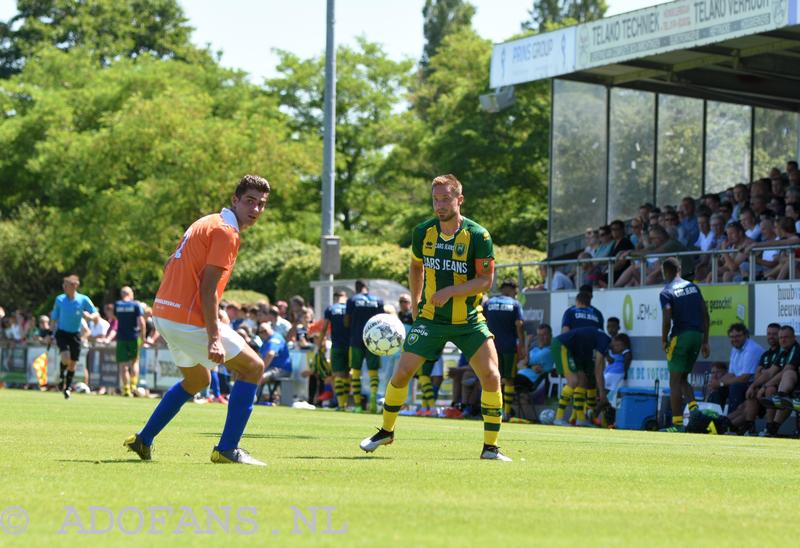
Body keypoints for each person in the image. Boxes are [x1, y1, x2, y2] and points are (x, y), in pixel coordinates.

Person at [359, 174, 510, 461]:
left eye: (445, 199)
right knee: (401, 373)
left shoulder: (479, 235)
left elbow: (485, 281)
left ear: (459, 200)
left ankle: (490, 448)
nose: (439, 205)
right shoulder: (423, 232)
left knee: (491, 376)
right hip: (430, 318)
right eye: (435, 199)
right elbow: (416, 267)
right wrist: (416, 303)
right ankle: (386, 431)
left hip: (469, 319)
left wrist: (451, 291)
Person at [123, 174, 270, 466]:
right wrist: (214, 337)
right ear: (235, 200)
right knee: (253, 368)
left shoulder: (206, 221)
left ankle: (143, 439)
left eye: (261, 204)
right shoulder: (227, 231)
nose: (255, 209)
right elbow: (207, 289)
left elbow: (169, 263)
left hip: (163, 313)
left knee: (197, 378)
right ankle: (228, 449)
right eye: (250, 201)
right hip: (185, 318)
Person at [659, 257, 710, 432]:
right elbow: (705, 314)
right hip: (697, 336)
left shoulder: (667, 291)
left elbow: (667, 316)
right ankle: (695, 412)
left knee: (674, 382)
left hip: (680, 336)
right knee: (682, 379)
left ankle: (677, 424)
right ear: (679, 269)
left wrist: (664, 339)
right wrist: (705, 341)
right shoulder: (693, 287)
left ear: (665, 272)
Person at [51, 275, 100, 399]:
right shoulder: (59, 299)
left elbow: (95, 313)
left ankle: (67, 387)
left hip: (75, 334)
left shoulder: (83, 299)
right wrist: (51, 333)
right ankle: (62, 375)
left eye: (66, 285)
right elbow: (54, 317)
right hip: (62, 333)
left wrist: (90, 317)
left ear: (74, 286)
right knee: (65, 358)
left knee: (73, 364)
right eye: (64, 285)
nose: (64, 287)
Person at [551, 326, 611, 426]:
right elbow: (598, 369)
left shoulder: (602, 338)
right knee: (573, 381)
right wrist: (602, 393)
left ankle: (581, 419)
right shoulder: (605, 341)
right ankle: (558, 418)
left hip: (571, 350)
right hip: (562, 346)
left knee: (582, 381)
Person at [728, 323, 781, 435]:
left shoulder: (783, 352)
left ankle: (770, 428)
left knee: (761, 391)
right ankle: (739, 426)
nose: (771, 336)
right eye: (769, 334)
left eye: (775, 334)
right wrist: (755, 386)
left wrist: (763, 380)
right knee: (749, 397)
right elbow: (758, 374)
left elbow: (773, 372)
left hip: (777, 388)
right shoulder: (766, 354)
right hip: (761, 386)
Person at [484, 279, 525, 420]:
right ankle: (506, 412)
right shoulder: (515, 304)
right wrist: (523, 346)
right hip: (509, 346)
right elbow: (519, 325)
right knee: (509, 379)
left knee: (493, 378)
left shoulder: (488, 303)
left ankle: (493, 410)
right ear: (512, 290)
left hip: (491, 346)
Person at [345, 280, 384, 413]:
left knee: (356, 371)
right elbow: (382, 319)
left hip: (356, 339)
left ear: (356, 288)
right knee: (373, 371)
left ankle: (357, 405)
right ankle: (373, 396)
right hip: (374, 340)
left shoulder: (352, 300)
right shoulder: (378, 300)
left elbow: (346, 321)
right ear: (367, 288)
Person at [707, 323, 762, 412]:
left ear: (746, 335)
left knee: (735, 387)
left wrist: (721, 384)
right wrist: (717, 383)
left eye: (738, 336)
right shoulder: (735, 349)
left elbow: (745, 377)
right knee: (717, 391)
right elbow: (731, 374)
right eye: (732, 337)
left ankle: (730, 423)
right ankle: (714, 420)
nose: (734, 339)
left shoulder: (751, 349)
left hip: (753, 385)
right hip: (740, 383)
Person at [318, 290, 350, 410]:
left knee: (337, 375)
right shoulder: (350, 307)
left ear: (335, 298)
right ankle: (346, 402)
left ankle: (340, 404)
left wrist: (319, 344)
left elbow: (324, 328)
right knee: (347, 375)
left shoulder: (331, 309)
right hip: (350, 345)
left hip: (337, 346)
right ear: (345, 297)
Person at [114, 286, 146, 397]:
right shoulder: (136, 304)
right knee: (135, 362)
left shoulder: (117, 305)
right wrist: (143, 337)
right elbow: (142, 322)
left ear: (122, 294)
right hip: (133, 337)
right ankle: (133, 386)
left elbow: (116, 318)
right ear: (130, 294)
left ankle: (126, 390)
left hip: (121, 338)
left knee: (123, 365)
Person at [255, 322, 292, 402]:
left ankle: (252, 398)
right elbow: (259, 356)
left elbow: (270, 354)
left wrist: (260, 370)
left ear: (268, 330)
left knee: (260, 377)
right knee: (250, 375)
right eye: (260, 332)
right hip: (270, 368)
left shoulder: (275, 338)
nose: (261, 334)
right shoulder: (266, 341)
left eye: (263, 331)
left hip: (281, 369)